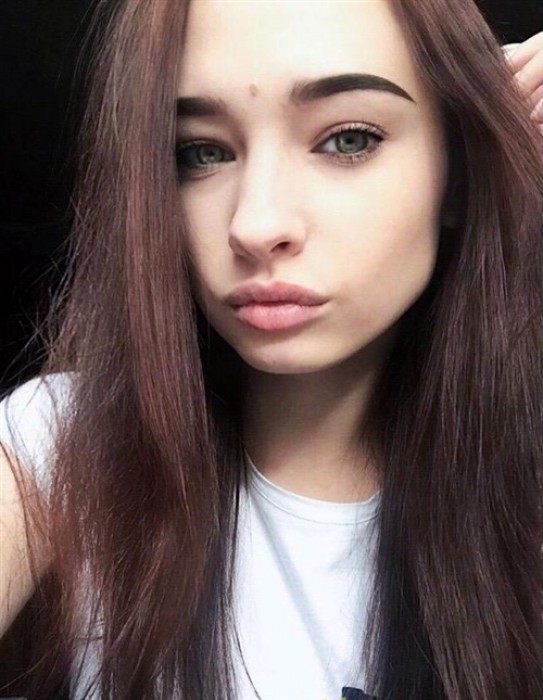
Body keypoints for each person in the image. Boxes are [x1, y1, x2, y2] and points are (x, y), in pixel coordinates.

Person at [0, 2, 542, 699]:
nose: (255, 224)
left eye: (347, 139)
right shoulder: (63, 445)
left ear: (459, 175)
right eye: (201, 152)